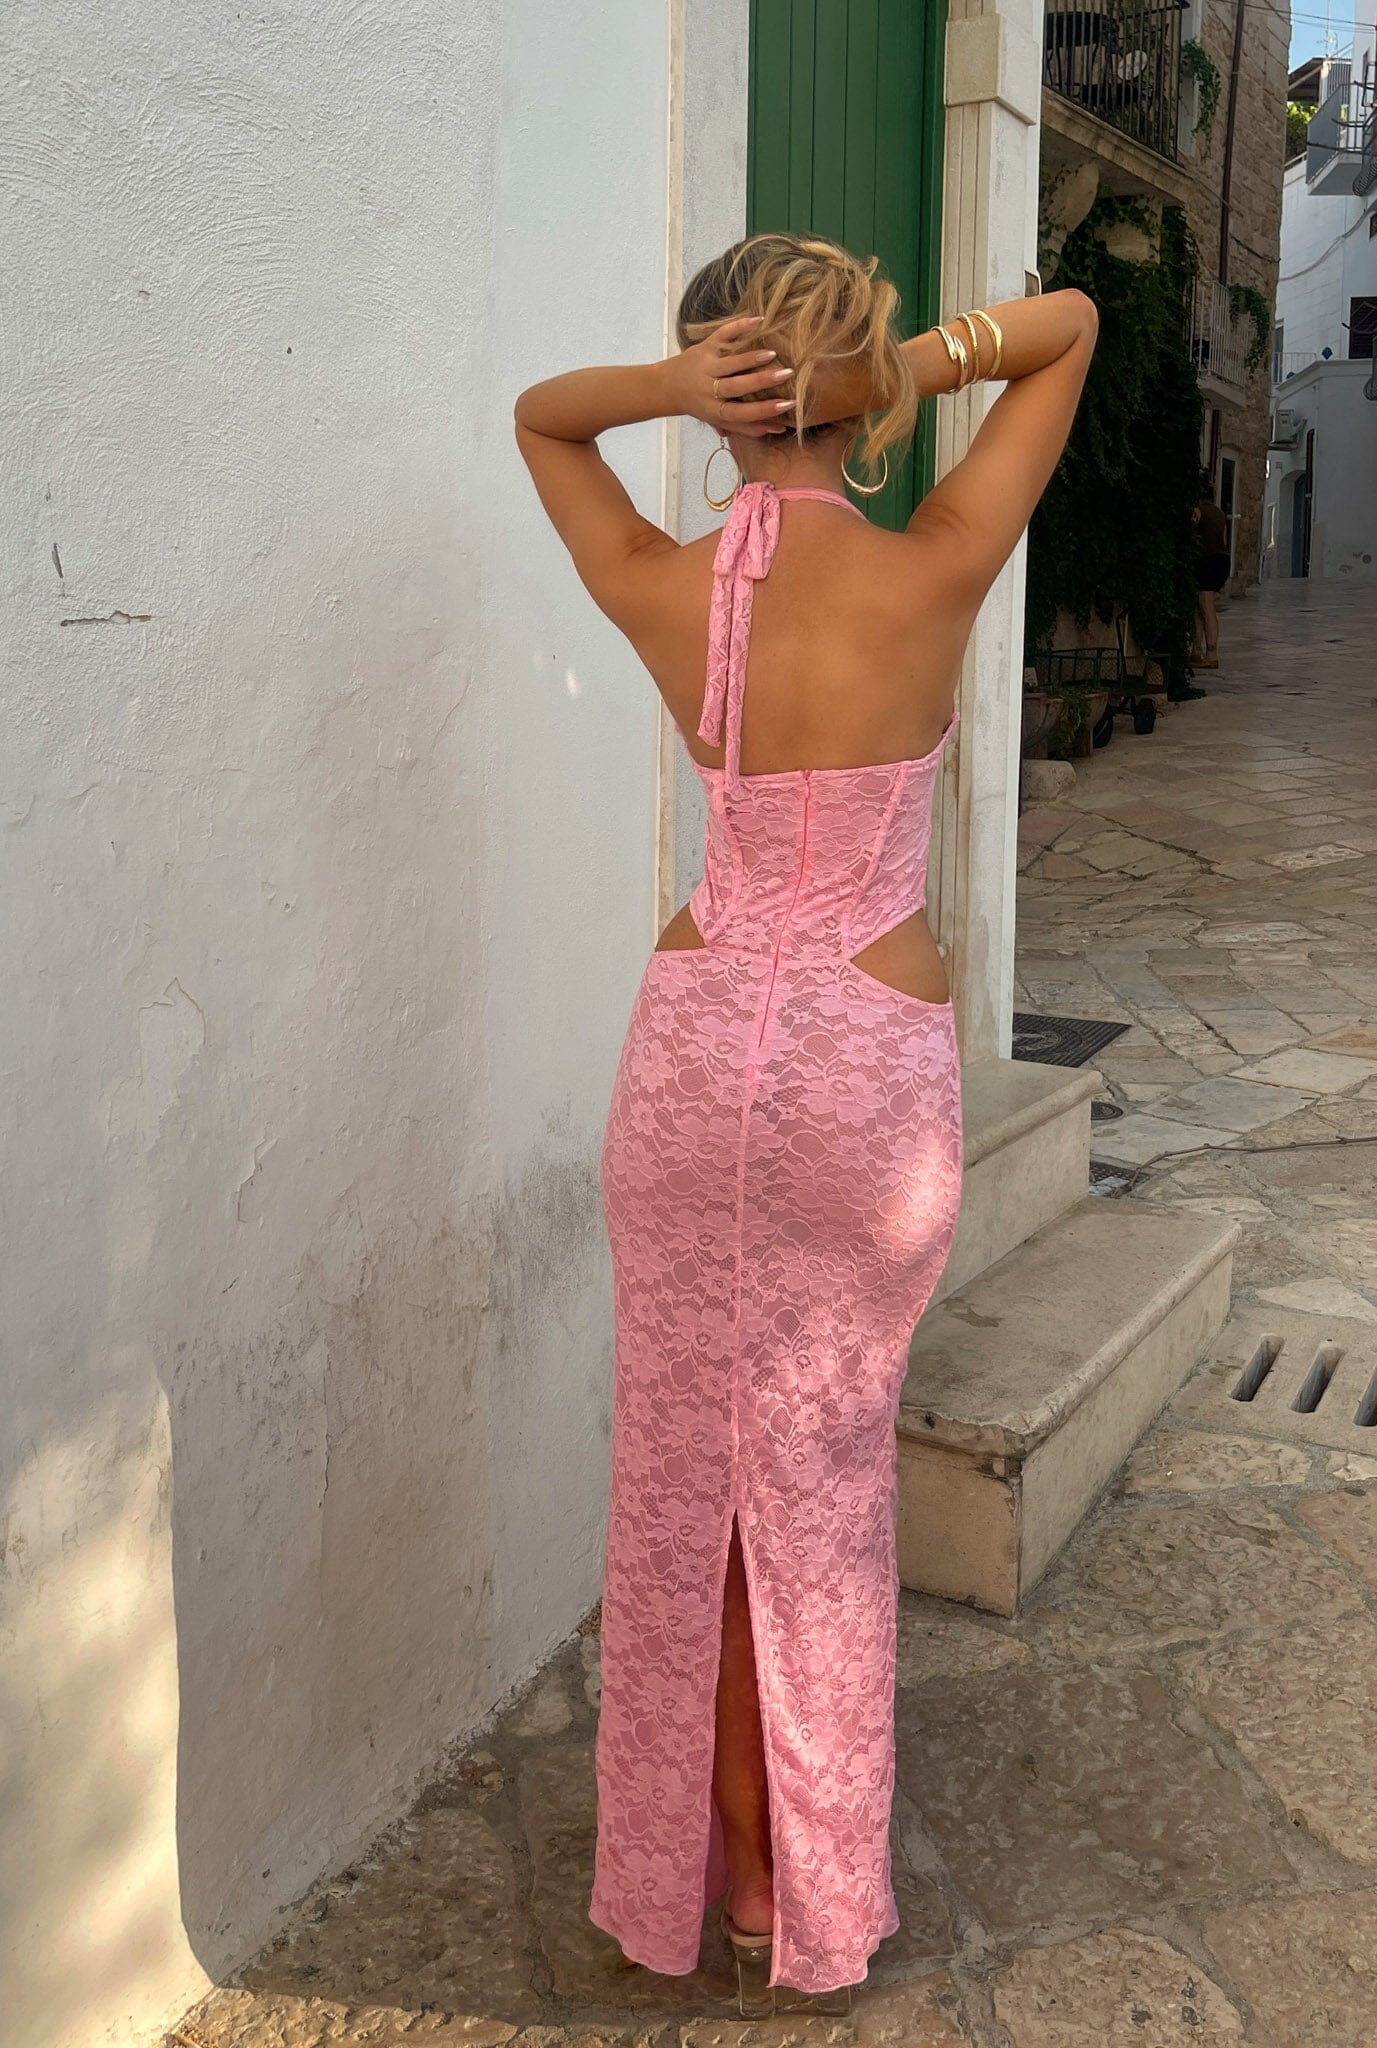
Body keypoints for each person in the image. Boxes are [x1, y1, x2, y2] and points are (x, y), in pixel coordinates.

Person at [514, 234, 1096, 2015]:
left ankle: (718, 1875)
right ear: (851, 388)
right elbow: (1069, 326)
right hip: (861, 1072)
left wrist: (668, 390)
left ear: (718, 395)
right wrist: (902, 368)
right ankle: (811, 1893)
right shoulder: (937, 564)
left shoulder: (662, 582)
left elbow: (543, 421)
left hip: (693, 1056)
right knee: (822, 1486)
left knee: (682, 1485)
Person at [1193, 477, 1231, 668]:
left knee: (1206, 608)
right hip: (1222, 560)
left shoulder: (1198, 512)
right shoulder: (1219, 513)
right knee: (1200, 608)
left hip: (1208, 560)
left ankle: (1211, 654)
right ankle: (1195, 651)